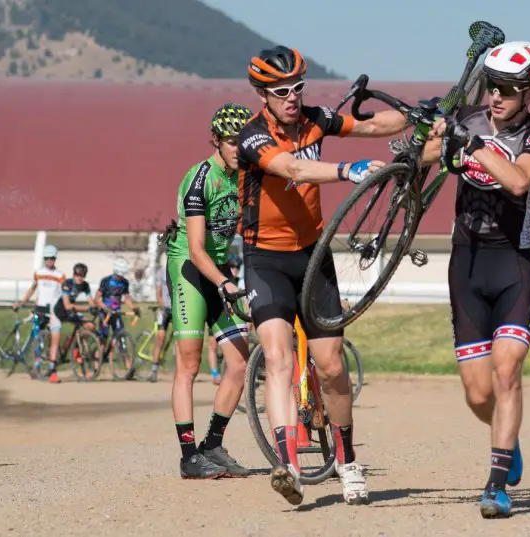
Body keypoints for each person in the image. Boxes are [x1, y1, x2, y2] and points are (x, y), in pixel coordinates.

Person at [238, 45, 410, 506]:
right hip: (265, 259)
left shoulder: (316, 119)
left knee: (332, 366)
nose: (291, 97)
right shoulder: (252, 136)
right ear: (262, 94)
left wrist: (418, 117)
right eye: (280, 91)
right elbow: (291, 167)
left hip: (313, 257)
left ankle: (349, 460)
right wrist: (345, 169)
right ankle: (288, 464)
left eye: (297, 88)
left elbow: (373, 126)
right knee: (277, 357)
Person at [424, 41, 530, 518]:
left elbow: (519, 181)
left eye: (508, 89)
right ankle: (509, 438)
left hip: (513, 265)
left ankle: (496, 485)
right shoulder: (470, 121)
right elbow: (423, 155)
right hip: (467, 264)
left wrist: (474, 144)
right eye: (490, 86)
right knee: (479, 393)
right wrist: (422, 140)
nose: (496, 97)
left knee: (507, 372)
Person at [163, 102, 254, 479]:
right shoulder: (201, 178)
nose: (238, 149)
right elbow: (198, 249)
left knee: (239, 360)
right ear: (216, 140)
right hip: (190, 266)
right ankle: (188, 457)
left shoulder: (245, 173)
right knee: (189, 364)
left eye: (243, 142)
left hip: (217, 270)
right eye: (232, 142)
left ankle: (212, 445)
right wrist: (224, 281)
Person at [13, 244, 65, 379]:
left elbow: (63, 295)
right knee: (38, 338)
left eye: (52, 258)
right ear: (44, 259)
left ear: (55, 258)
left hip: (53, 311)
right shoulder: (38, 273)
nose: (49, 261)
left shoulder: (60, 275)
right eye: (47, 258)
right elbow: (32, 289)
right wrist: (21, 302)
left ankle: (51, 369)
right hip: (40, 310)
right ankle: (37, 366)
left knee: (52, 340)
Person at [48, 263, 98, 382]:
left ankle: (76, 346)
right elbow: (67, 305)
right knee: (56, 339)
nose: (79, 277)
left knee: (90, 325)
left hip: (70, 312)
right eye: (77, 275)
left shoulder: (85, 285)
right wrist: (87, 309)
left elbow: (91, 301)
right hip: (58, 312)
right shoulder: (67, 284)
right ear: (73, 274)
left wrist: (95, 308)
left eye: (82, 275)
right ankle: (52, 372)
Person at [206, 252, 245, 385]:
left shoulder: (240, 282)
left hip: (235, 317)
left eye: (237, 267)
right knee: (213, 345)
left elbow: (244, 300)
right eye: (232, 266)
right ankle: (215, 374)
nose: (234, 269)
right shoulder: (219, 279)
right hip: (219, 315)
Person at [95, 257, 141, 342]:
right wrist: (105, 308)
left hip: (117, 312)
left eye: (122, 275)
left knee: (119, 336)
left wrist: (133, 308)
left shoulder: (125, 282)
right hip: (105, 313)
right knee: (103, 339)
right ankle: (99, 354)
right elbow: (97, 299)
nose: (120, 277)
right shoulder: (106, 281)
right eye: (119, 275)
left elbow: (127, 298)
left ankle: (119, 354)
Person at [148, 260, 176, 383]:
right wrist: (162, 306)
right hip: (164, 309)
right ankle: (154, 370)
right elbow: (158, 293)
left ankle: (179, 370)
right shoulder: (162, 272)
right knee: (160, 338)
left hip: (176, 310)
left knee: (179, 340)